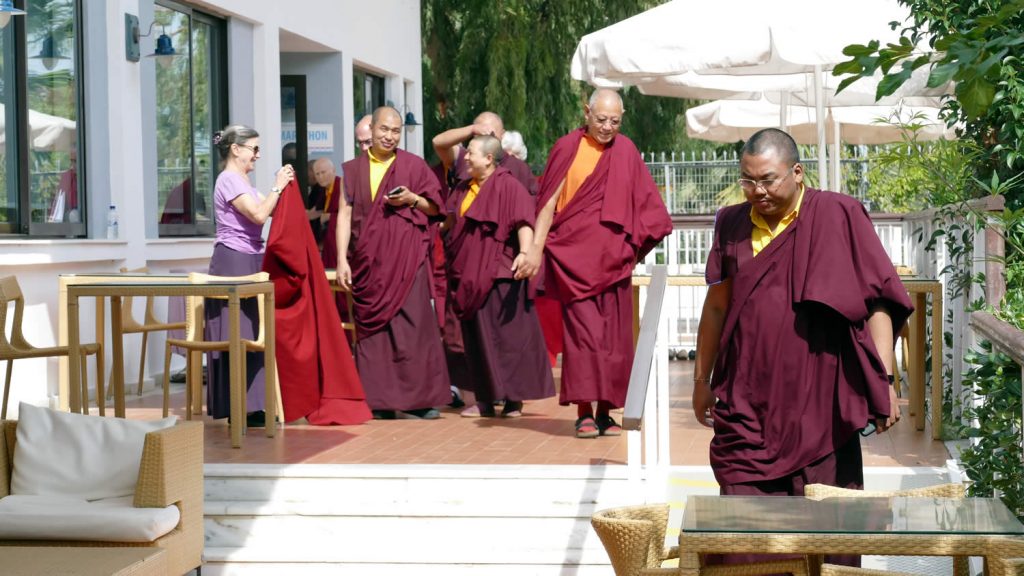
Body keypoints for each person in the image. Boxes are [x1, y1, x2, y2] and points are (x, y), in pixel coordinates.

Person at [693, 128, 913, 505]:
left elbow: (878, 300)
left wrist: (884, 380)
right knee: (745, 532)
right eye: (748, 181)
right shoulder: (731, 224)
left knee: (824, 523)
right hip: (746, 399)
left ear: (797, 173)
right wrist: (701, 379)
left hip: (820, 402)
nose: (758, 191)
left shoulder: (837, 214)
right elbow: (716, 307)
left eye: (767, 180)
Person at [524, 88, 672, 439]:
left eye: (615, 121)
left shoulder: (626, 151)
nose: (607, 127)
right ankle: (584, 410)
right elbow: (548, 203)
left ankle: (607, 411)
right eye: (601, 119)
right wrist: (534, 250)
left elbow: (646, 205)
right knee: (584, 339)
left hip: (614, 263)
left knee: (615, 341)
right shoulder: (567, 148)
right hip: (575, 260)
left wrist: (631, 251)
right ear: (586, 111)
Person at [335, 106, 449, 420]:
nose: (389, 136)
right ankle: (380, 400)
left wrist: (413, 199)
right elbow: (345, 215)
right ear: (371, 130)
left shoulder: (412, 166)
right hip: (368, 263)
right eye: (384, 129)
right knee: (375, 334)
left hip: (407, 261)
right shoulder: (353, 169)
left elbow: (435, 209)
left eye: (396, 131)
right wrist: (341, 259)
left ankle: (421, 400)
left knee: (415, 328)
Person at [443, 135, 554, 417]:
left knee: (509, 340)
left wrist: (526, 253)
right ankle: (485, 400)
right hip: (468, 273)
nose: (465, 158)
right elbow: (451, 223)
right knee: (477, 338)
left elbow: (523, 222)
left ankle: (513, 399)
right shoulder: (463, 188)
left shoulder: (508, 186)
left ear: (489, 159)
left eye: (471, 154)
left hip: (499, 273)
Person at [207, 124, 295, 425]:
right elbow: (258, 214)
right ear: (236, 149)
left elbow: (268, 210)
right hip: (234, 261)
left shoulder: (242, 179)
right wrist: (277, 186)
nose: (257, 155)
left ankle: (255, 405)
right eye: (254, 149)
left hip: (252, 259)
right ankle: (239, 406)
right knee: (239, 333)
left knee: (254, 330)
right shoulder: (229, 179)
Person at [432, 111, 537, 196]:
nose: (486, 139)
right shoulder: (466, 159)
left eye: (490, 134)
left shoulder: (517, 167)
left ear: (502, 134)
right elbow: (438, 143)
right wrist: (472, 129)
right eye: (480, 134)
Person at [312, 158, 342, 268]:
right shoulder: (323, 190)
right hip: (328, 241)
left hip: (341, 243)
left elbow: (353, 215)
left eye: (323, 172)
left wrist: (330, 216)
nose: (320, 177)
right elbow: (315, 213)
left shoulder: (342, 186)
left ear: (333, 170)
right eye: (317, 174)